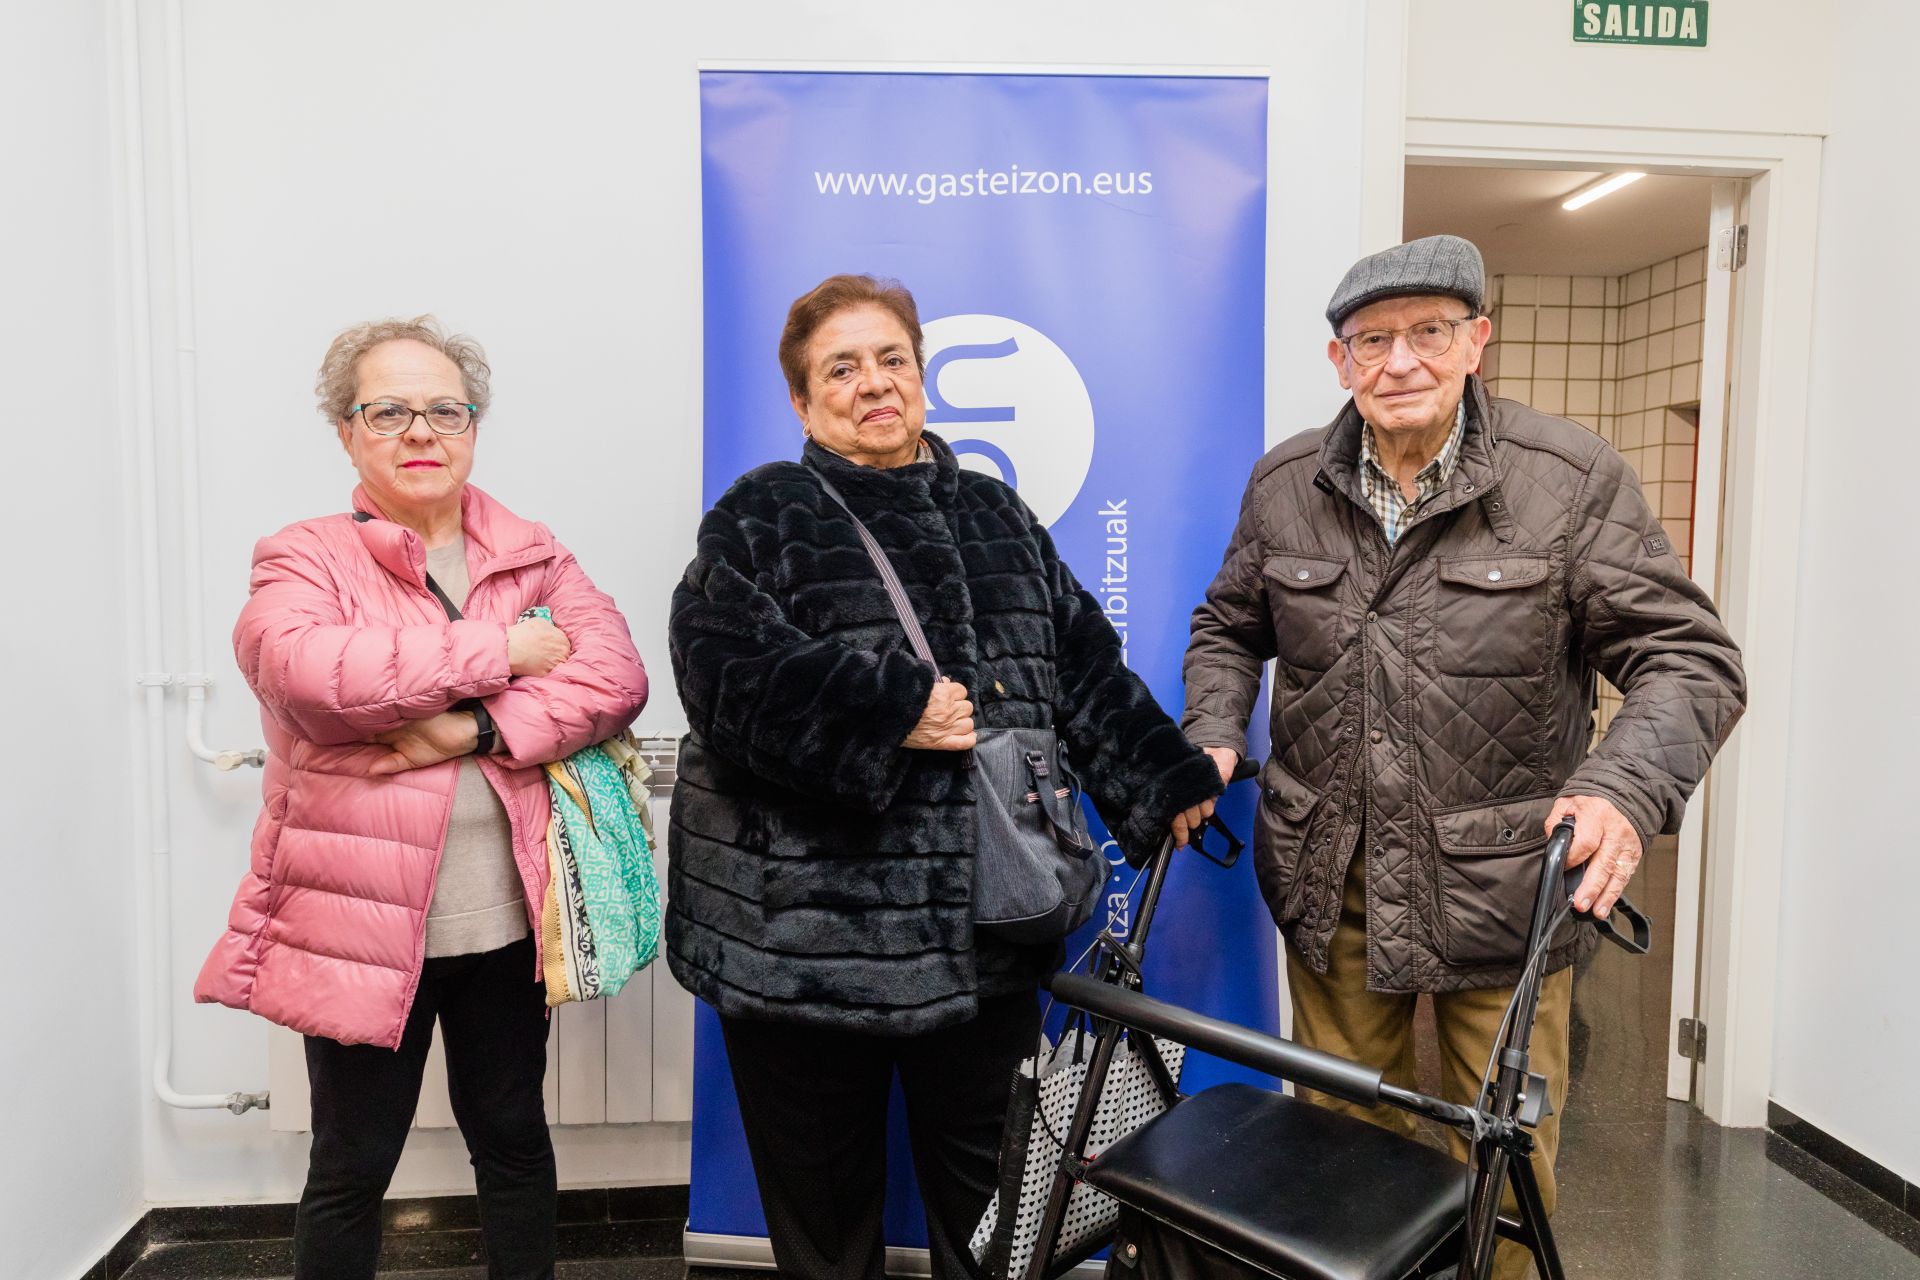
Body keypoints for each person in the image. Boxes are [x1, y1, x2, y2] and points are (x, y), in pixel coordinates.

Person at [1180, 236, 1746, 1278]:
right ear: (1340, 358)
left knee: (1502, 1157)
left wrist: (1620, 787)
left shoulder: (1569, 480)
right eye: (1372, 339)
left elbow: (1688, 657)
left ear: (1476, 341)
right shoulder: (1285, 483)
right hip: (1331, 875)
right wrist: (1214, 729)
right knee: (1341, 1144)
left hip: (1508, 887)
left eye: (1429, 333)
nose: (1400, 361)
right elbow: (1228, 625)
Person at [667, 273, 1223, 1280]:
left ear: (922, 379)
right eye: (842, 367)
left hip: (984, 939)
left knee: (995, 1216)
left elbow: (1083, 661)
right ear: (803, 399)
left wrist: (1157, 772)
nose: (873, 382)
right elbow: (723, 678)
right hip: (804, 948)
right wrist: (891, 707)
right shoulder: (762, 514)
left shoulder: (995, 512)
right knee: (824, 1223)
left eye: (892, 360)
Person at [195, 316, 649, 1280]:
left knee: (516, 1143)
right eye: (389, 410)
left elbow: (615, 677)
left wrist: (471, 729)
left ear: (474, 426)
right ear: (347, 430)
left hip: (507, 930)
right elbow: (313, 674)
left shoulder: (531, 553)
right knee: (352, 1166)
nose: (421, 431)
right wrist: (504, 655)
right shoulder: (305, 556)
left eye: (446, 409)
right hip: (355, 929)